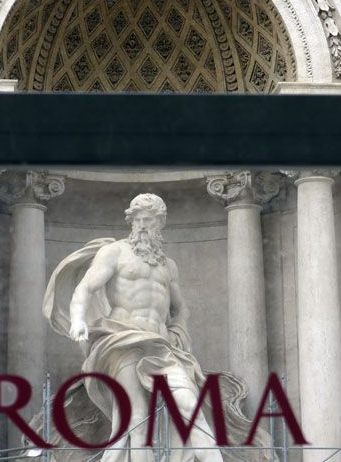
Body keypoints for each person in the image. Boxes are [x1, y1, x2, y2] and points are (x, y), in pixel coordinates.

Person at [44, 193, 223, 461]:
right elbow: (85, 288)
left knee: (189, 404)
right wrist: (79, 319)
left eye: (148, 220)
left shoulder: (168, 265)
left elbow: (180, 308)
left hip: (161, 346)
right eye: (137, 219)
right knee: (135, 420)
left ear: (160, 223)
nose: (142, 225)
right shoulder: (115, 252)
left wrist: (179, 331)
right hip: (122, 340)